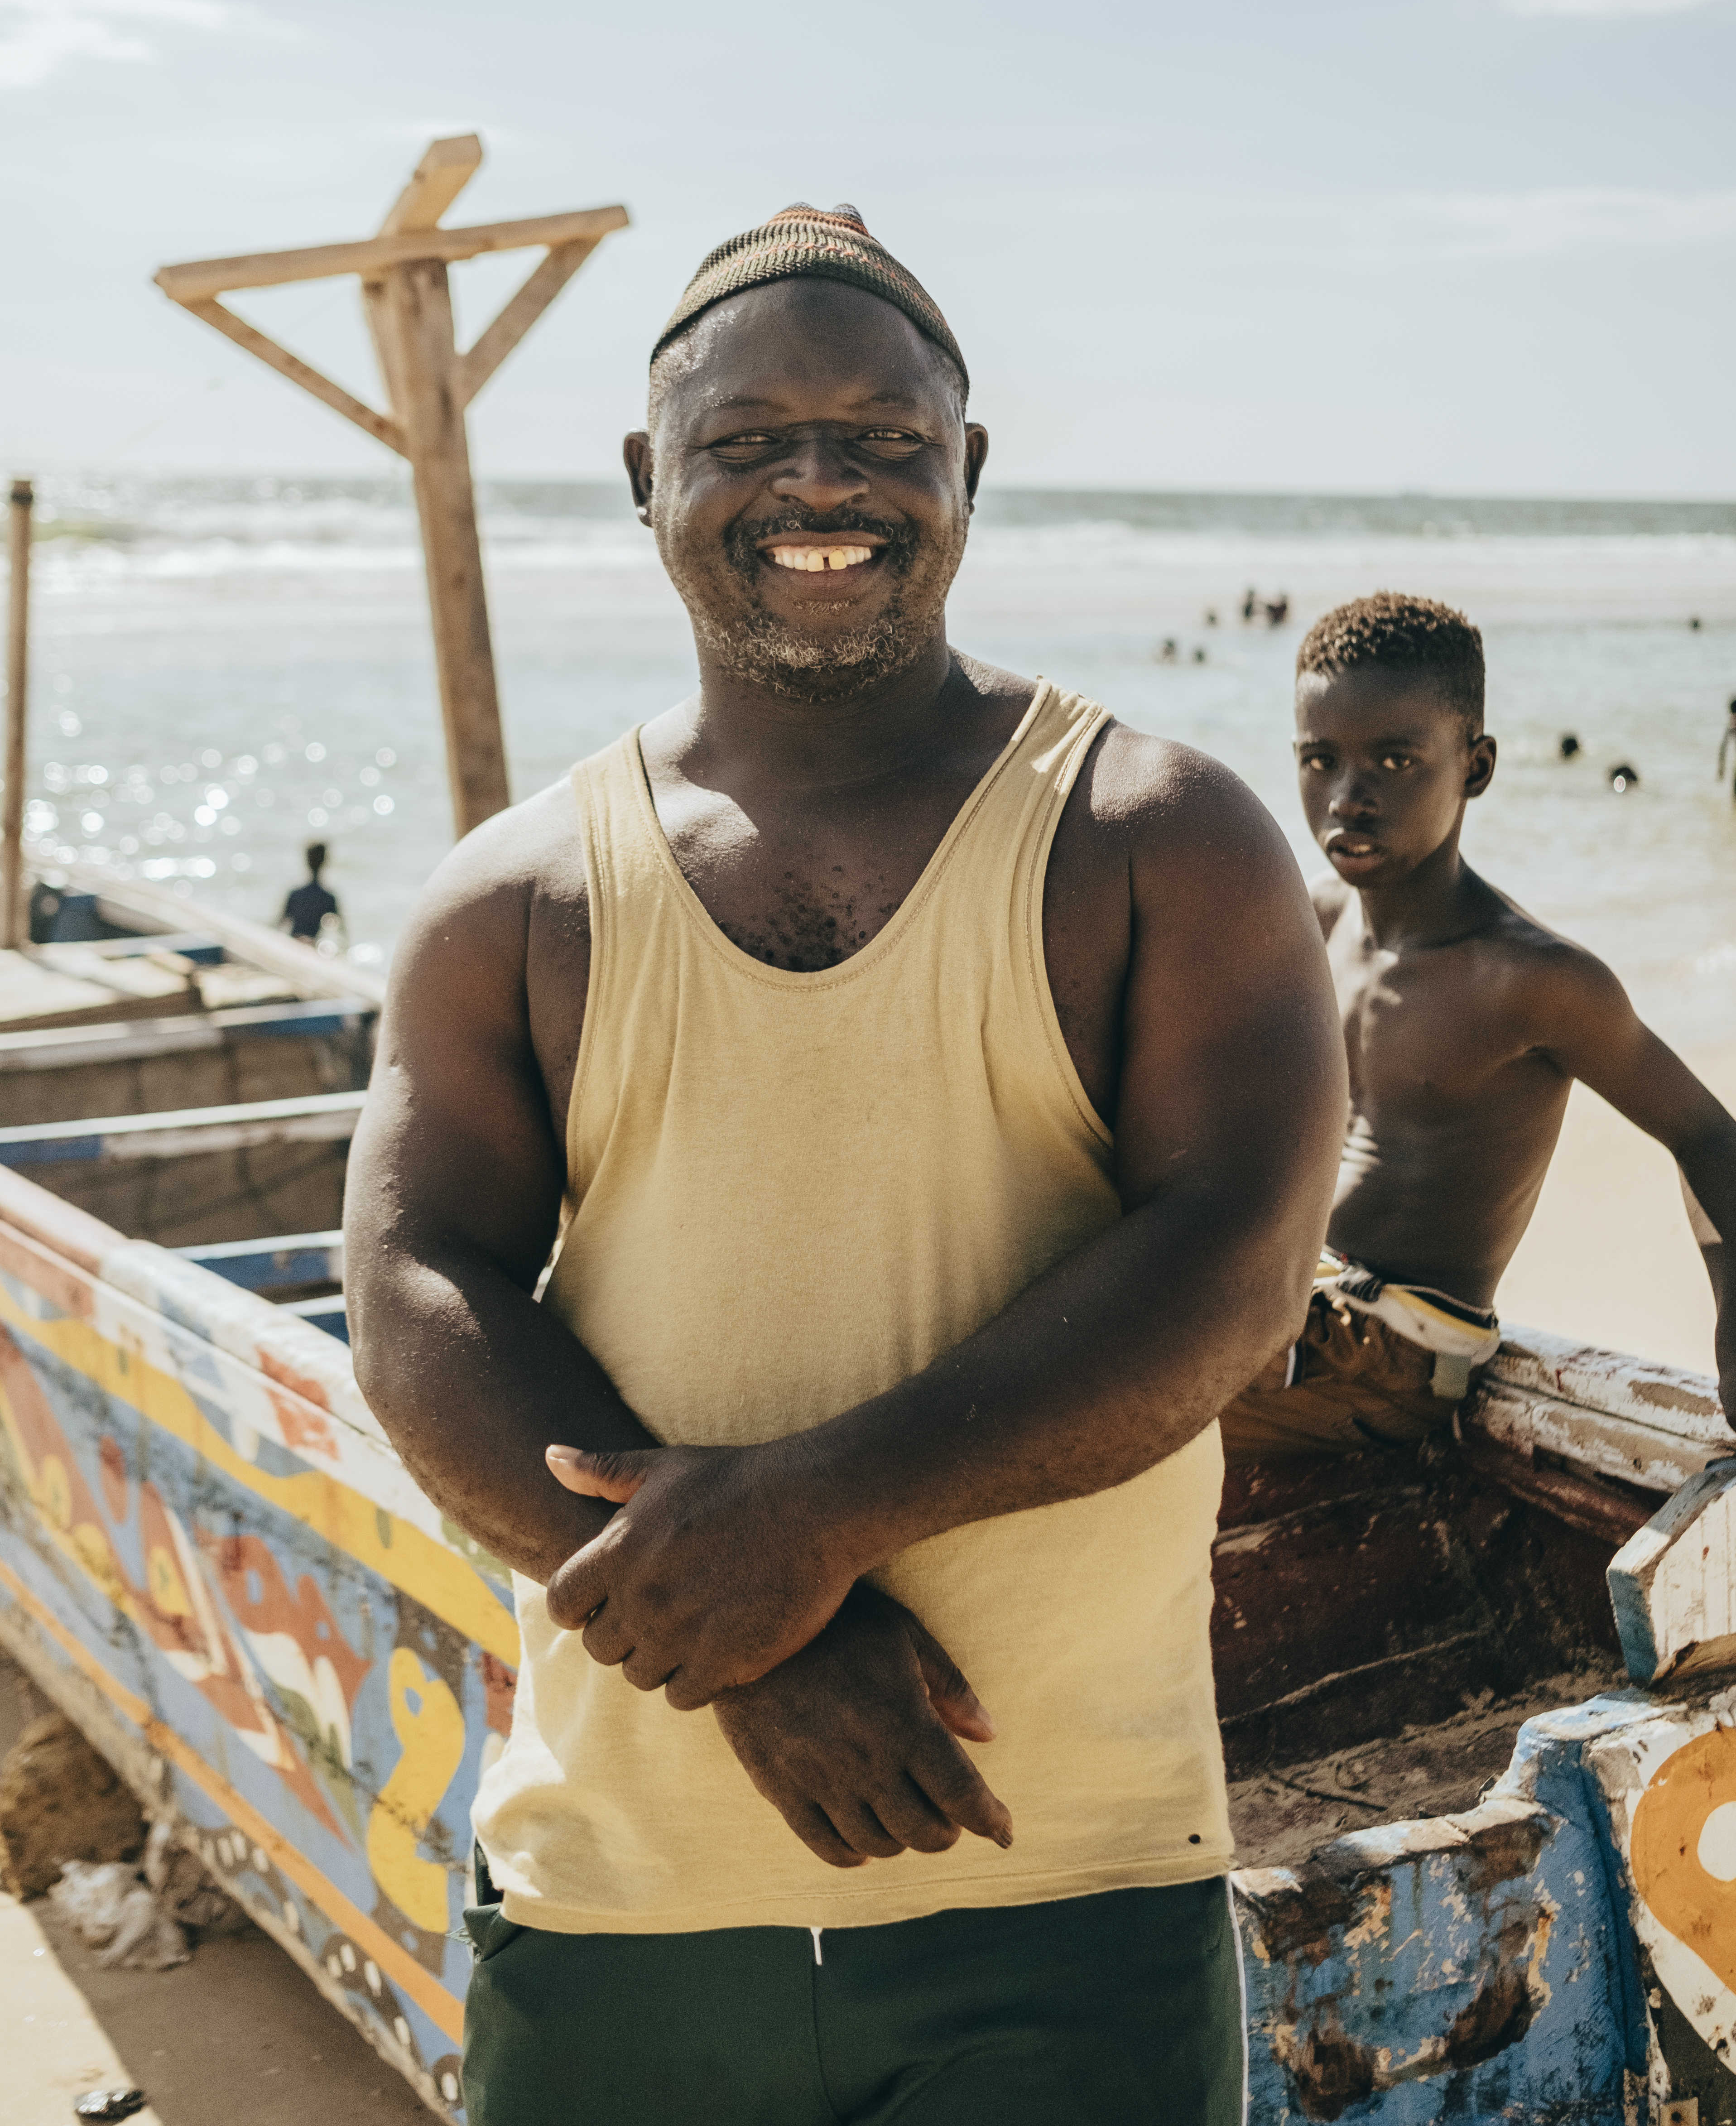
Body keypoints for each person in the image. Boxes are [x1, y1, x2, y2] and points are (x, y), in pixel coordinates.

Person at [345, 201, 1344, 2123]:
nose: (821, 485)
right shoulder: (517, 895)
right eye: (748, 439)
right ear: (651, 478)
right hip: (621, 1896)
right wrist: (733, 1644)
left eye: (884, 440)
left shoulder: (1150, 835)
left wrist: (802, 1527)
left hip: (1064, 1883)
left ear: (962, 470)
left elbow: (1235, 1256)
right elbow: (413, 1287)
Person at [1220, 592, 1736, 1463]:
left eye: (1394, 759)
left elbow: (1705, 1135)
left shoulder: (1528, 979)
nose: (1348, 796)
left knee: (1091, 1390)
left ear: (1475, 765)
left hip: (1396, 1352)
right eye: (1320, 759)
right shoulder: (1314, 919)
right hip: (1295, 1301)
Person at [280, 842, 338, 943]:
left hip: (293, 943)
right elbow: (340, 933)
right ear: (325, 860)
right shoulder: (328, 897)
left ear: (307, 860)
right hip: (313, 945)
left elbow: (280, 924)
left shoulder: (295, 894)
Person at [1718, 697, 1736, 795]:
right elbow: (1723, 748)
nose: (1734, 719)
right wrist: (1721, 769)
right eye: (1733, 715)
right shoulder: (1731, 728)